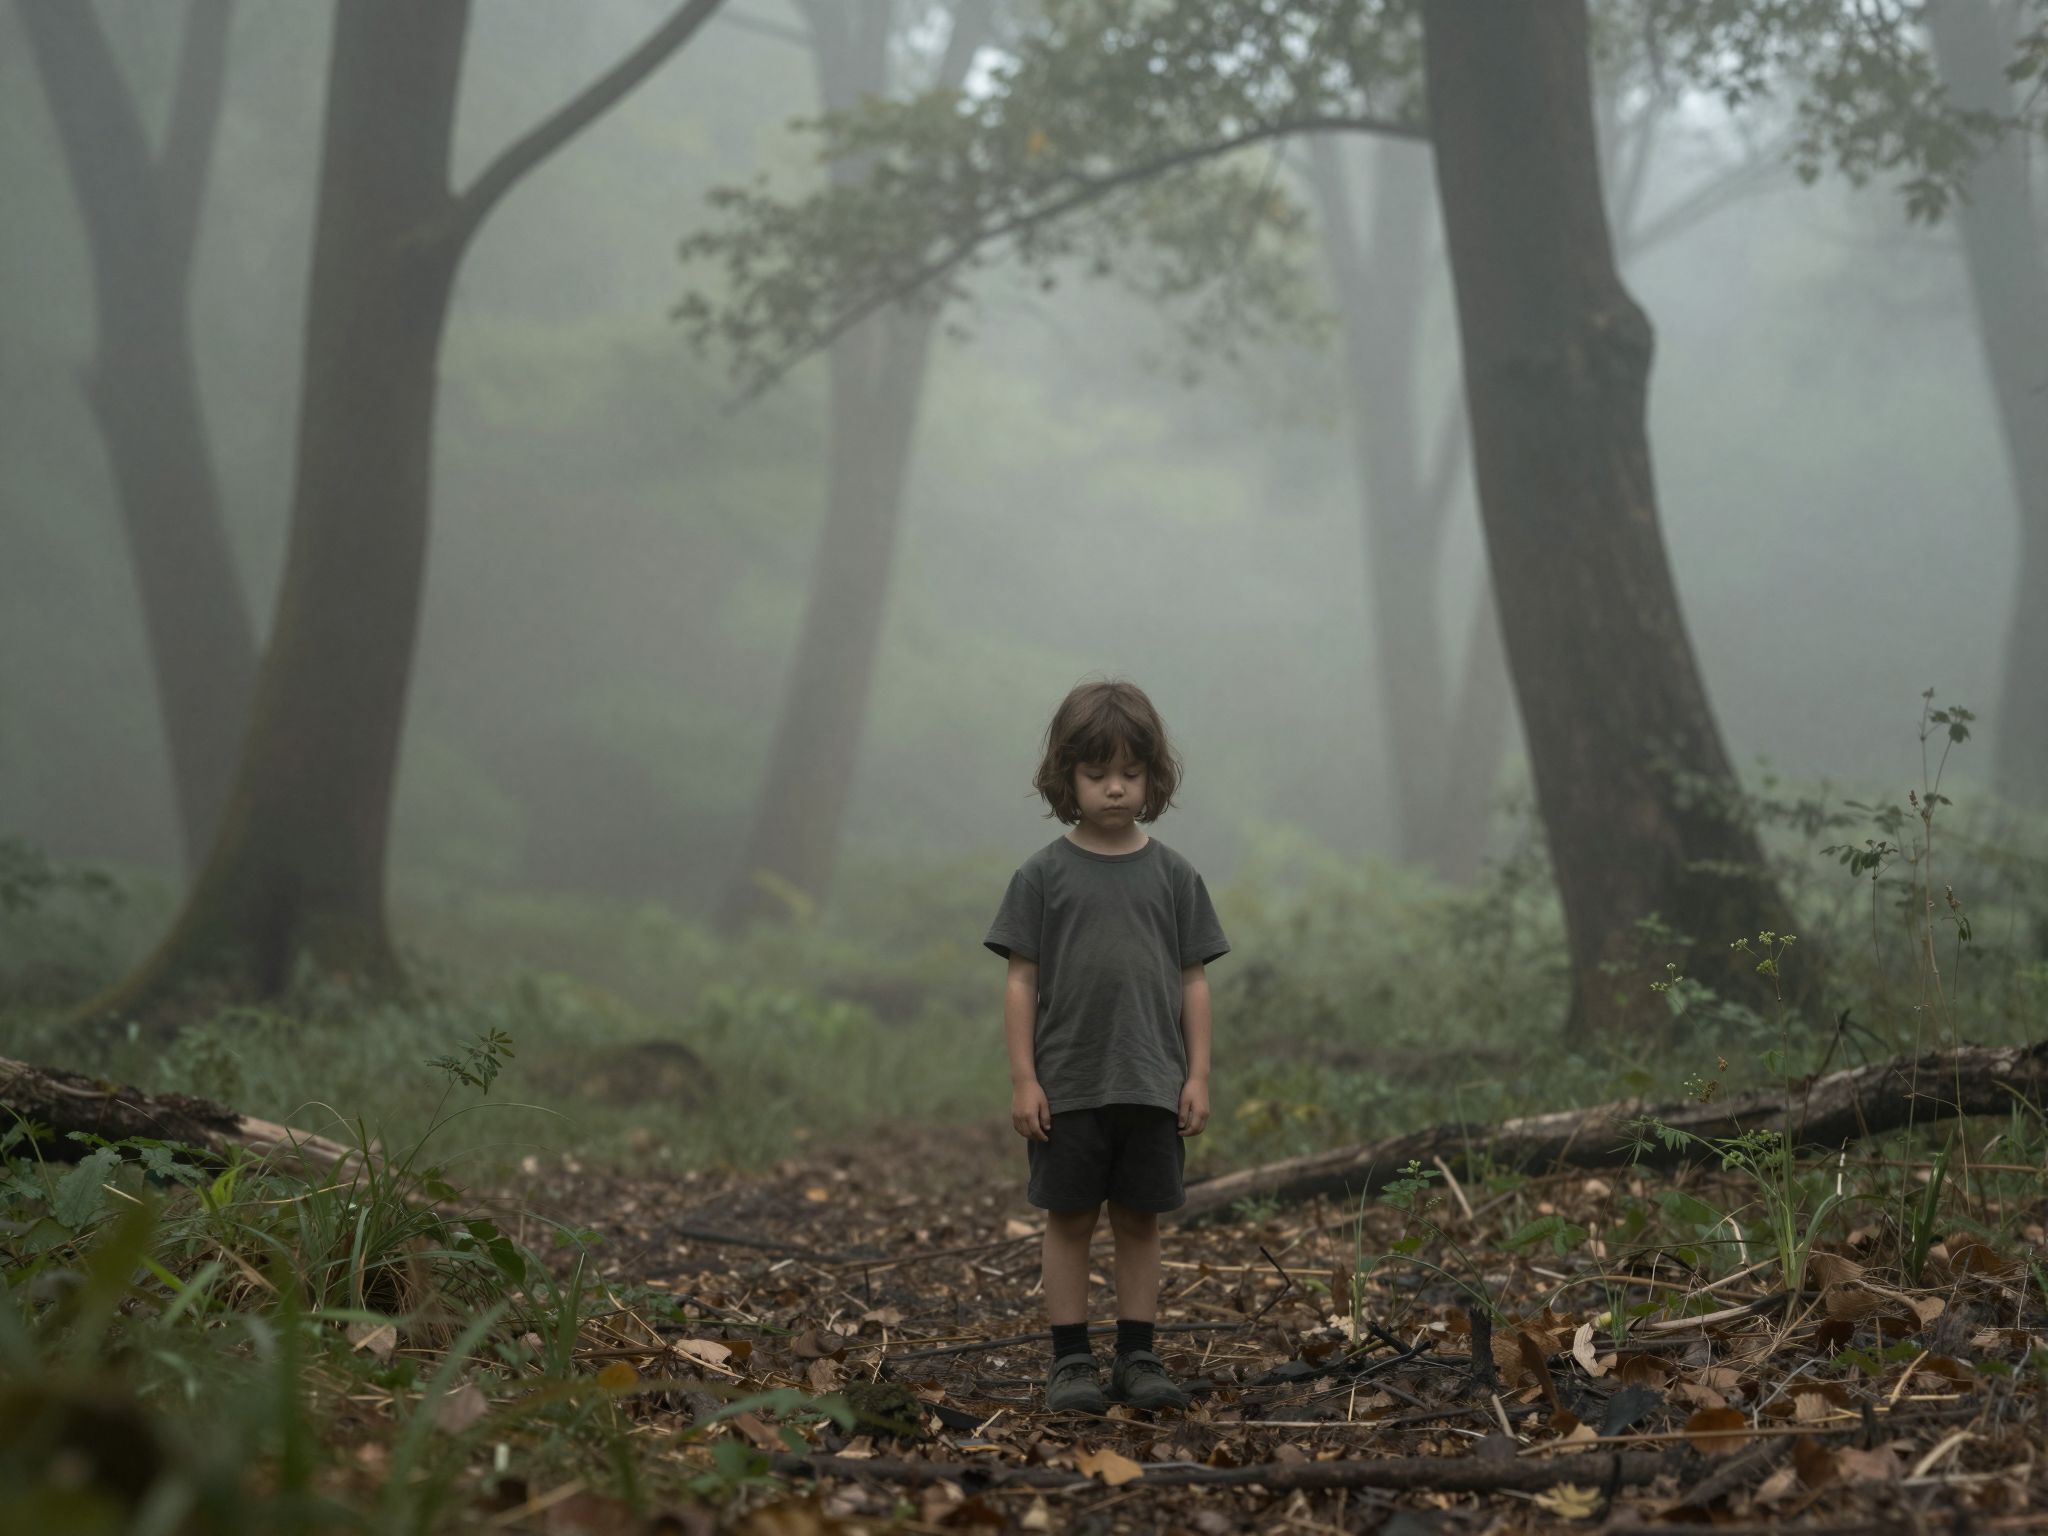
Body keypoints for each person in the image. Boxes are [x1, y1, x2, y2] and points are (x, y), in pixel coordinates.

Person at [983, 679, 1229, 1413]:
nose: (1115, 789)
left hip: (1153, 1081)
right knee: (1069, 1220)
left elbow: (1194, 984)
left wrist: (1199, 1074)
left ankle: (1138, 1355)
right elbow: (1021, 983)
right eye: (1097, 774)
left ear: (1154, 777)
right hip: (1069, 1083)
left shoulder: (1176, 876)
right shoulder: (1042, 875)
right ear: (1068, 778)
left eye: (1131, 773)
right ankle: (1069, 1363)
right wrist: (1025, 1079)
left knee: (1138, 1219)